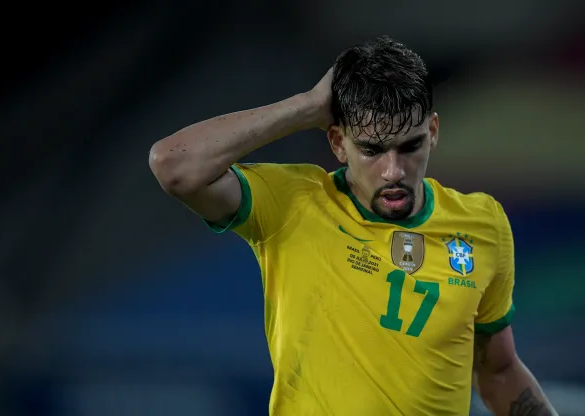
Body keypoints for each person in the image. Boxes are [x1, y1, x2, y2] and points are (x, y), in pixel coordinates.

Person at [149, 36, 556, 416]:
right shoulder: (292, 202)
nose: (394, 171)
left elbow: (498, 371)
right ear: (338, 143)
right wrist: (306, 105)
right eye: (372, 150)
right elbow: (174, 166)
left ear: (432, 132)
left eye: (410, 145)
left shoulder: (483, 224)